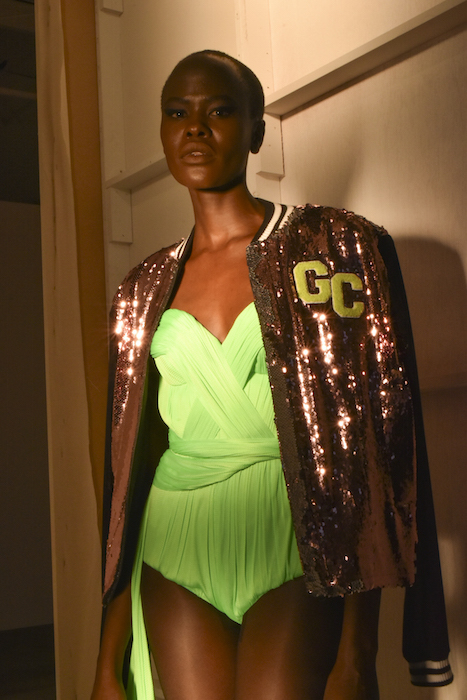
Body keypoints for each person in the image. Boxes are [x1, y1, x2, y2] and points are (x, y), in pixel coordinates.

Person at [92, 51, 452, 700]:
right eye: (177, 113)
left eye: (218, 110)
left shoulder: (332, 248)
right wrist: (106, 659)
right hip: (174, 538)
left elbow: (368, 446)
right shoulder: (142, 287)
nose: (194, 128)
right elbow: (130, 473)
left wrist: (358, 651)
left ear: (256, 131)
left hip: (293, 534)